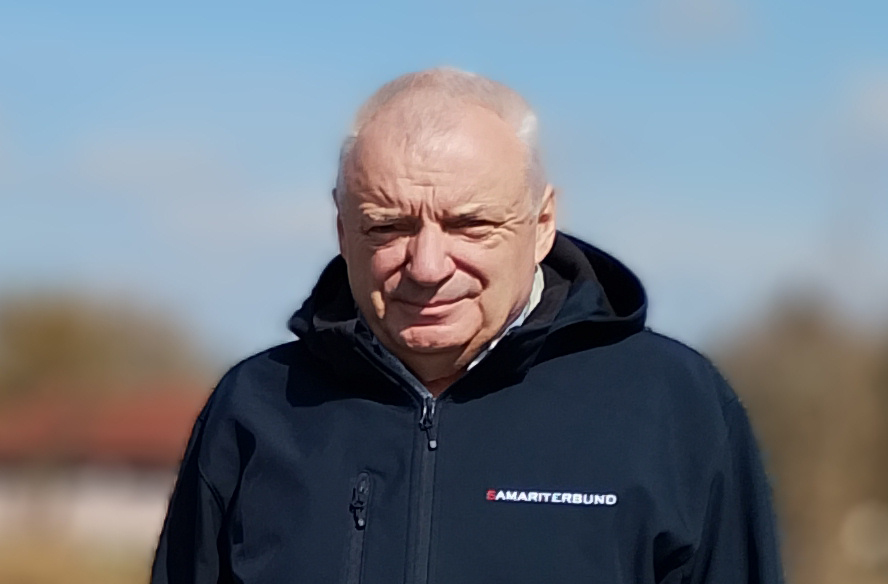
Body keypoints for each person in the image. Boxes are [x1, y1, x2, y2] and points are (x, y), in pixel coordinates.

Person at [151, 67, 784, 584]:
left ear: (542, 224)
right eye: (388, 227)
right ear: (343, 230)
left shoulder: (675, 406)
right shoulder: (256, 408)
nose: (427, 266)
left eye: (470, 225)